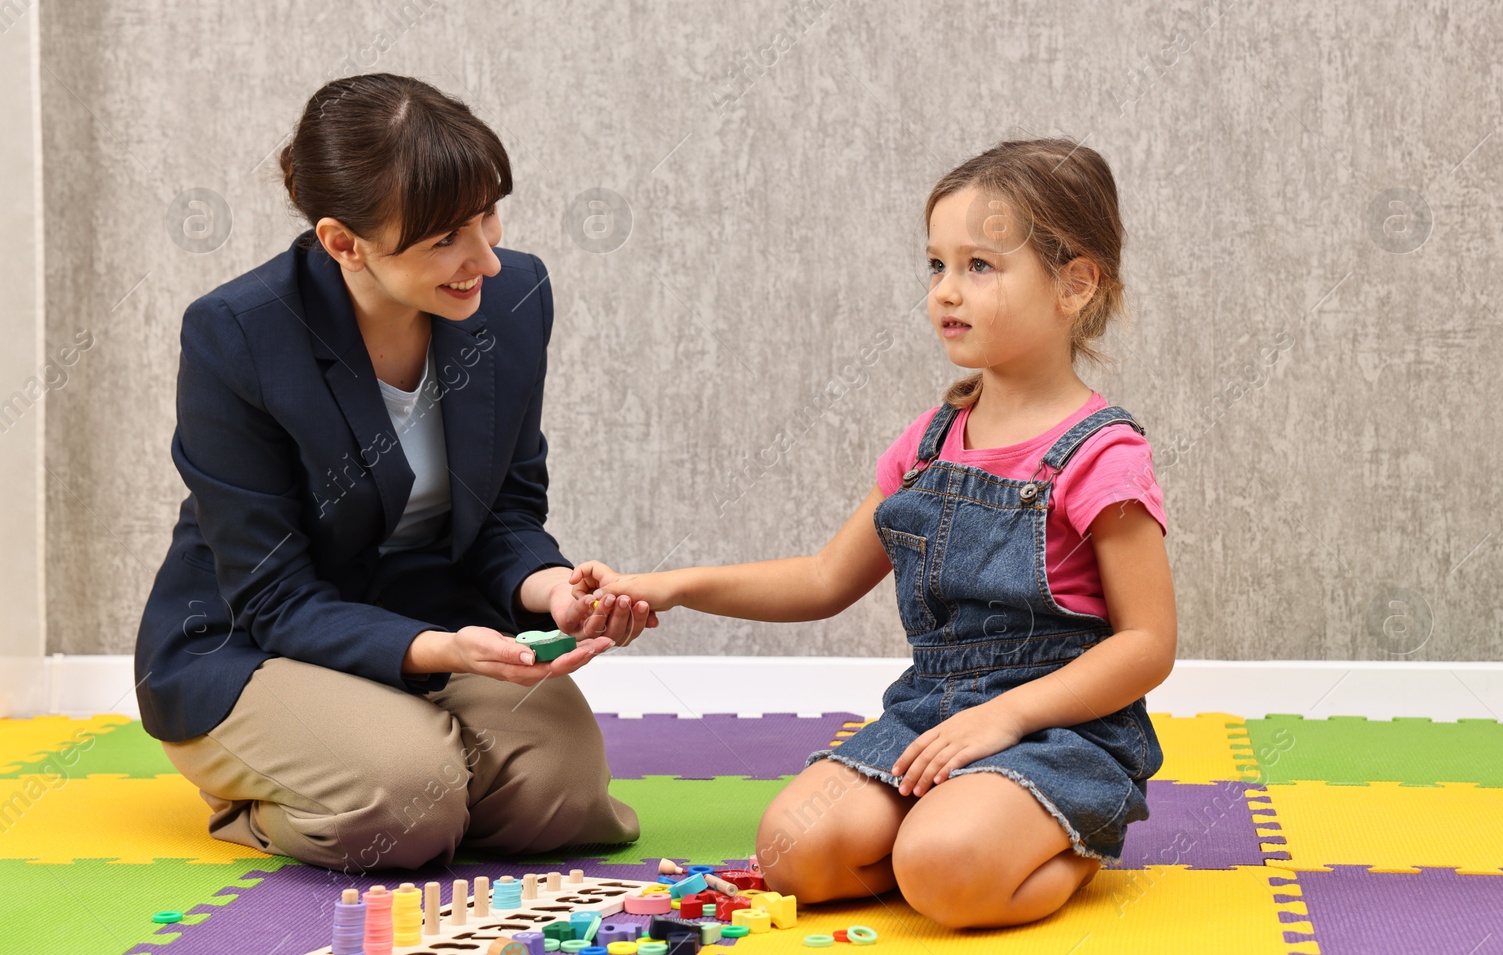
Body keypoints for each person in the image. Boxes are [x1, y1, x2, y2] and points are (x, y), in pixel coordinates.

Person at [571, 137, 1175, 929]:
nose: (946, 292)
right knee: (793, 849)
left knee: (945, 871)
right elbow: (824, 578)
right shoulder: (929, 441)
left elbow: (1147, 644)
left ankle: (1074, 838)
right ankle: (949, 834)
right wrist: (672, 586)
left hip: (1057, 730)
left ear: (1074, 283)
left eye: (980, 266)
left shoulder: (1102, 454)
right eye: (937, 265)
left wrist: (1007, 717)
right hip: (930, 715)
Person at [133, 73, 658, 874]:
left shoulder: (512, 295)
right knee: (402, 805)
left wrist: (553, 588)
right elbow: (273, 592)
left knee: (562, 797)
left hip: (434, 618)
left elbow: (507, 511)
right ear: (344, 243)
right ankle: (268, 794)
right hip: (253, 639)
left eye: (487, 216)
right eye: (446, 237)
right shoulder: (235, 334)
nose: (484, 257)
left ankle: (409, 760)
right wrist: (437, 650)